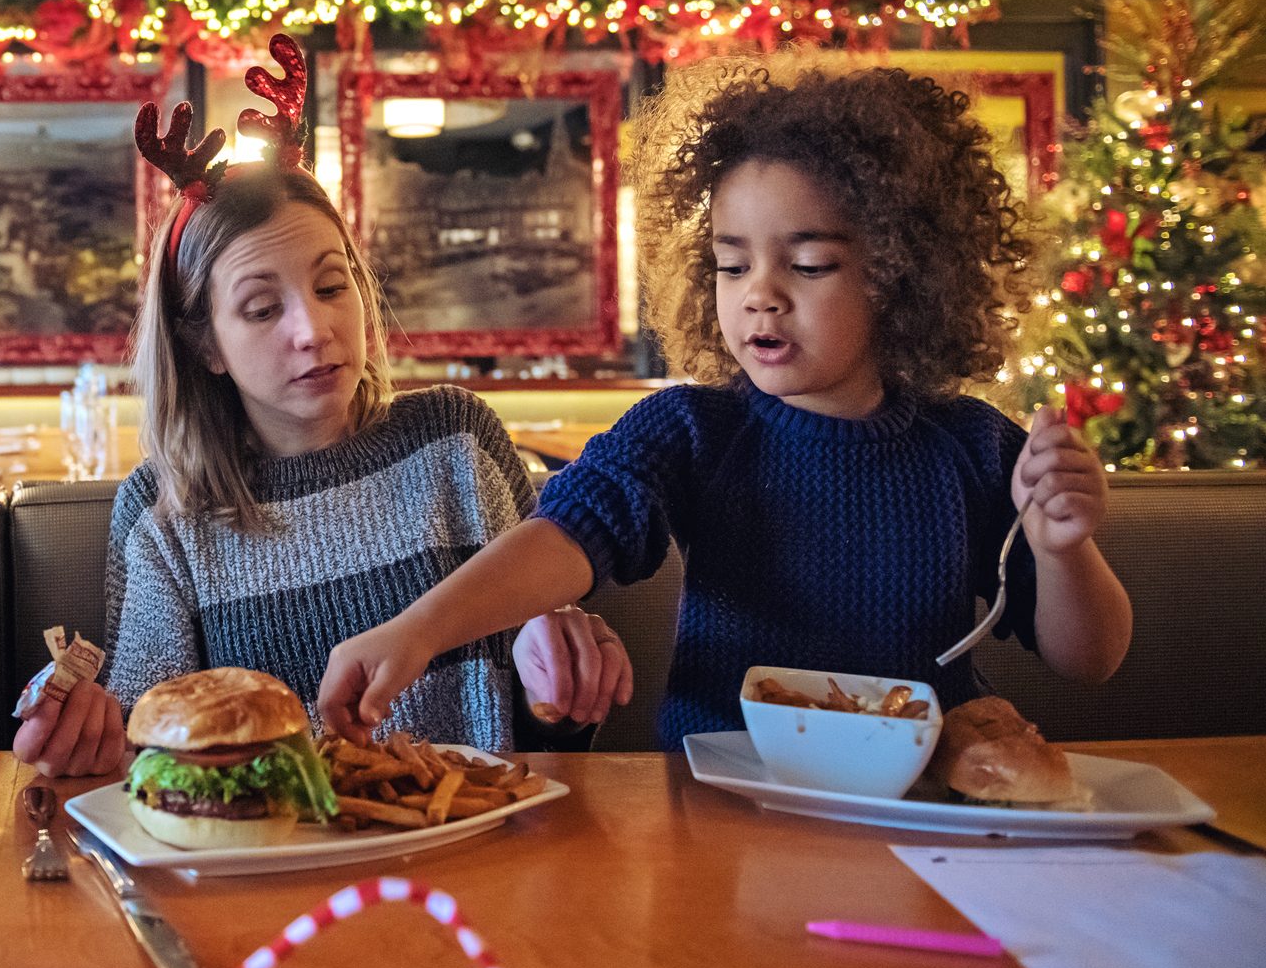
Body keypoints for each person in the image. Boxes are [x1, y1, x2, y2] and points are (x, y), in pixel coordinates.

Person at [318, 61, 1132, 749]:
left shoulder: (975, 446)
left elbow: (1088, 660)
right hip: (724, 794)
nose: (759, 298)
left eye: (808, 265)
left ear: (902, 275)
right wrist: (415, 633)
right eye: (730, 265)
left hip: (920, 797)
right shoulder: (694, 431)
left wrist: (1064, 549)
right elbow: (567, 534)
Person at [12, 37, 633, 776]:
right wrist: (87, 734)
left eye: (332, 287)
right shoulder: (165, 512)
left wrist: (555, 687)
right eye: (262, 309)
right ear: (205, 344)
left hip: (473, 853)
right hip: (264, 869)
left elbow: (532, 724)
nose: (313, 331)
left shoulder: (455, 441)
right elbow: (152, 741)